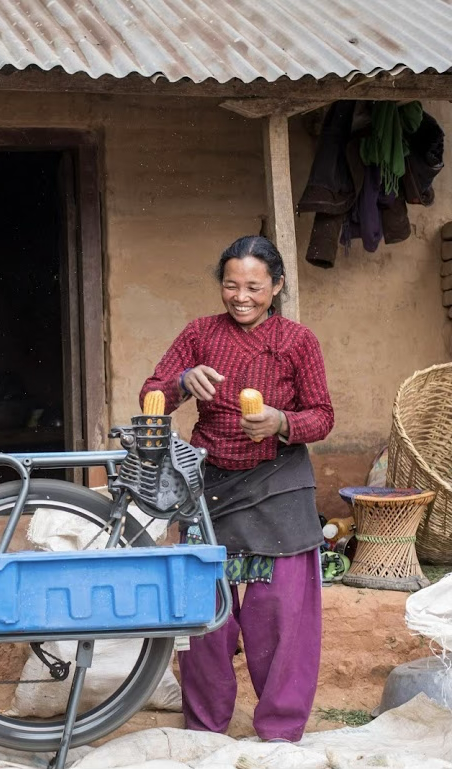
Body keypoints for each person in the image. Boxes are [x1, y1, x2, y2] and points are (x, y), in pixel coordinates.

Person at [140, 235, 334, 743]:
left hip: (278, 487)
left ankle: (280, 733)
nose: (241, 296)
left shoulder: (298, 340)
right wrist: (182, 381)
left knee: (279, 618)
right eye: (231, 284)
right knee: (208, 620)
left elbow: (323, 415)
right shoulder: (200, 333)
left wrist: (280, 421)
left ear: (277, 286)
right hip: (210, 489)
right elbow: (151, 393)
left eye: (254, 286)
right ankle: (205, 732)